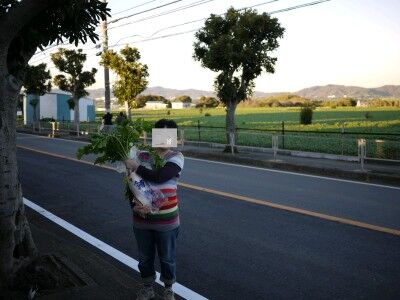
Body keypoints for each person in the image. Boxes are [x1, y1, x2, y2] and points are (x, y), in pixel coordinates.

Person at [125, 119, 184, 300]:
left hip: (167, 220)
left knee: (167, 258)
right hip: (141, 218)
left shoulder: (176, 157)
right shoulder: (142, 155)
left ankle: (168, 289)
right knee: (144, 258)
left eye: (168, 134)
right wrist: (134, 205)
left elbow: (160, 176)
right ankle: (148, 287)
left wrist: (136, 166)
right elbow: (130, 184)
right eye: (160, 133)